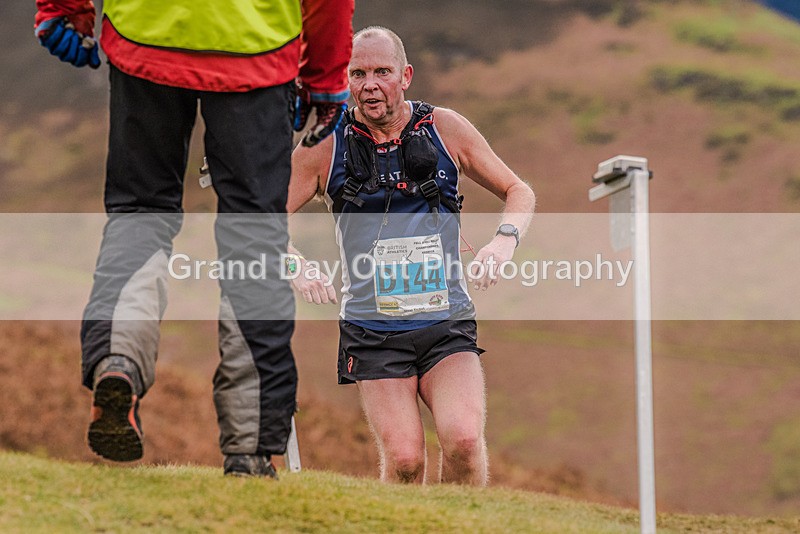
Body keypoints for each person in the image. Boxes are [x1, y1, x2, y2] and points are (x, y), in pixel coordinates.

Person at [34, 0, 353, 477]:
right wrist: (325, 76)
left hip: (147, 33)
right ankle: (249, 445)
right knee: (254, 240)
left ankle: (119, 359)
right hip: (255, 47)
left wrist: (64, 9)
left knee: (140, 214)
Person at [286, 26, 535, 485]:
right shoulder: (324, 144)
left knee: (461, 439)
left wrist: (503, 240)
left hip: (446, 323)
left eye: (382, 71)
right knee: (404, 461)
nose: (370, 85)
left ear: (406, 76)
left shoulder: (445, 128)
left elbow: (518, 190)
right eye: (357, 74)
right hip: (373, 331)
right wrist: (294, 265)